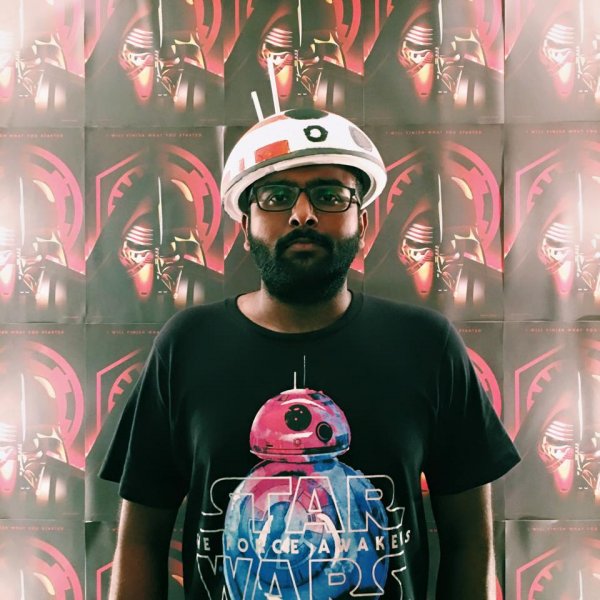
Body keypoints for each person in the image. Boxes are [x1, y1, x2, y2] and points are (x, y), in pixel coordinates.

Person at [100, 108, 520, 599]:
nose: (303, 214)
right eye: (277, 196)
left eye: (330, 195)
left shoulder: (427, 344)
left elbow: (470, 542)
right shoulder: (187, 345)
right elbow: (140, 540)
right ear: (245, 225)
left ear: (363, 221)